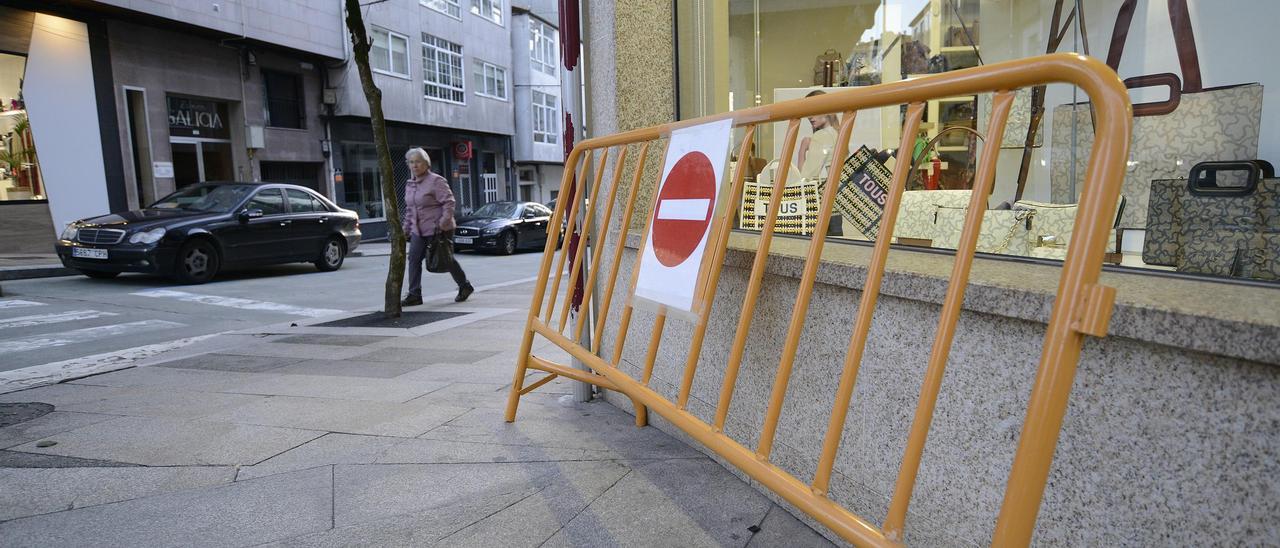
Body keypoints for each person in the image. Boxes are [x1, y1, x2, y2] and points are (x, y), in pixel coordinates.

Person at [401, 147, 473, 305]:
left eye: (418, 162)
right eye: (411, 162)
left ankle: (464, 285)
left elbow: (449, 202)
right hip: (418, 230)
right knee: (413, 259)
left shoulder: (436, 181)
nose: (414, 165)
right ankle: (414, 294)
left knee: (446, 259)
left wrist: (443, 223)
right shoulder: (409, 184)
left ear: (426, 164)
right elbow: (409, 209)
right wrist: (405, 230)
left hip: (438, 229)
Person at [796, 89, 840, 181]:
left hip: (831, 192)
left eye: (814, 110)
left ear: (826, 109)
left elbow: (805, 178)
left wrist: (802, 149)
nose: (809, 116)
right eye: (807, 112)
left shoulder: (822, 135)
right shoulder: (837, 133)